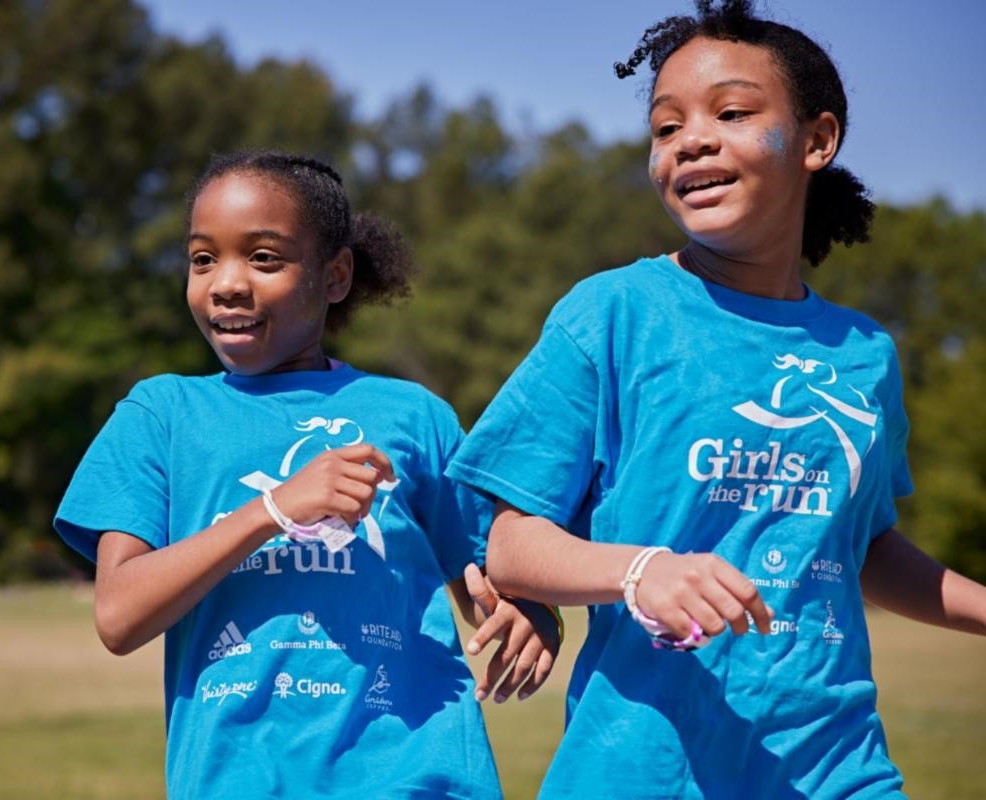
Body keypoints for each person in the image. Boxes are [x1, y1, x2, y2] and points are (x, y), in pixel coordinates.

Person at [446, 1, 986, 797]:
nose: (690, 139)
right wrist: (641, 573)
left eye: (731, 113)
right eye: (666, 128)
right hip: (642, 768)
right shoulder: (614, 314)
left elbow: (860, 547)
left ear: (817, 141)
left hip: (838, 769)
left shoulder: (865, 355)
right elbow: (510, 542)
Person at [54, 150, 558, 799]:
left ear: (336, 275)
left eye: (263, 258)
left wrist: (535, 617)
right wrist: (276, 509)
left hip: (417, 779)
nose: (226, 283)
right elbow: (119, 616)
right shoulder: (162, 414)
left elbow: (500, 580)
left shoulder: (414, 415)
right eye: (203, 258)